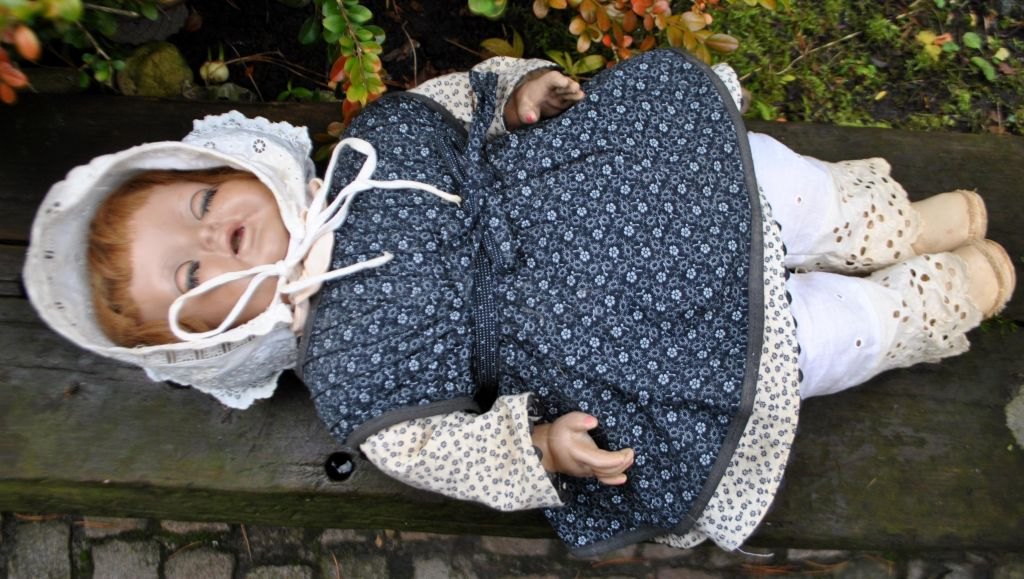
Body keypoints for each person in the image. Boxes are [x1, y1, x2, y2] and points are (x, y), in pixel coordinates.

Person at [24, 49, 1015, 556]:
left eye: (202, 204)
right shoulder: (349, 369)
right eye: (189, 279)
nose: (214, 240)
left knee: (773, 182)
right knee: (799, 347)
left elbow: (461, 97)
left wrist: (516, 93)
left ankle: (873, 222)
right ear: (213, 341)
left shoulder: (370, 146)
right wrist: (533, 449)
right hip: (610, 344)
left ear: (228, 165)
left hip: (623, 182)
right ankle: (901, 313)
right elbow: (429, 448)